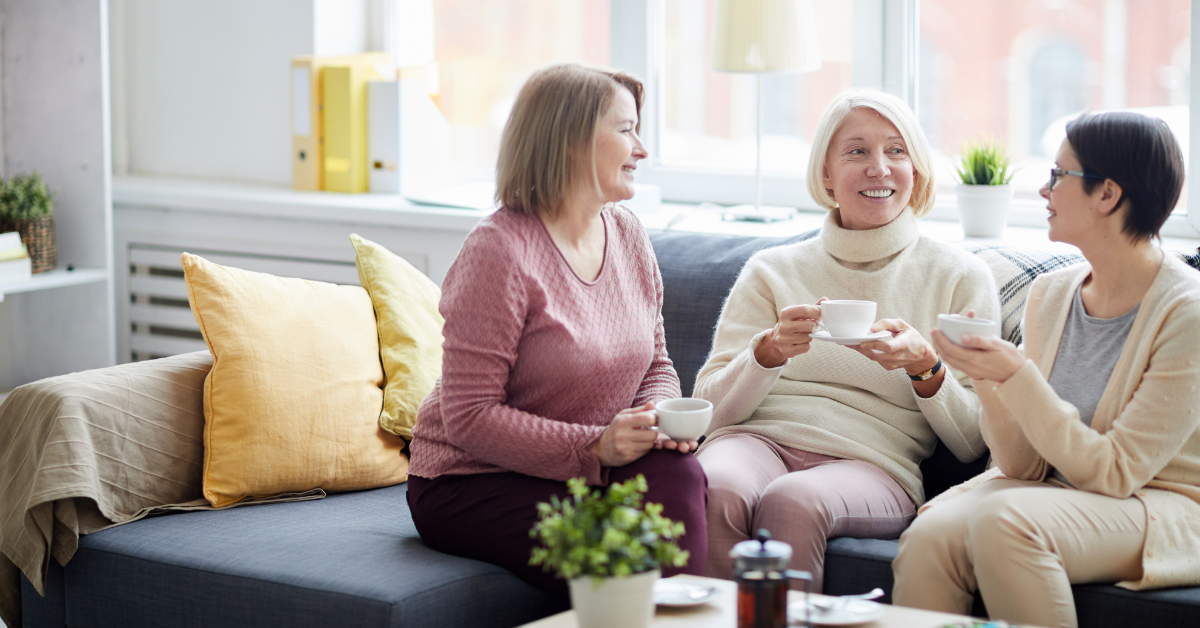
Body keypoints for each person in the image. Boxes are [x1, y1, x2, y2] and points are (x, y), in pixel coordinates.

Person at [405, 63, 707, 595]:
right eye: (626, 130)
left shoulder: (629, 233)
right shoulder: (499, 249)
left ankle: (687, 612)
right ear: (570, 140)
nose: (641, 149)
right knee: (623, 545)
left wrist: (654, 419)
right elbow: (469, 417)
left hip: (587, 463)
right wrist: (595, 448)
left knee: (680, 472)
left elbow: (657, 362)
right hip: (472, 480)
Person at [892, 112, 1200, 628]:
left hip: (1162, 502)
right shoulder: (1051, 294)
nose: (1043, 189)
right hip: (1053, 490)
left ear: (1108, 194)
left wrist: (1018, 377)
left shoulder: (1186, 313)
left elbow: (1116, 473)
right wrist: (988, 377)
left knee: (1004, 522)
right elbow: (1021, 466)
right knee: (930, 536)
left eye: (1059, 176)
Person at [693, 88, 998, 588]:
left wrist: (925, 365)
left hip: (873, 462)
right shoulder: (772, 270)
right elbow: (711, 412)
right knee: (715, 485)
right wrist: (765, 355)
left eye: (896, 151)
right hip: (756, 441)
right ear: (827, 174)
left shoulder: (959, 277)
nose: (879, 168)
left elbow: (969, 444)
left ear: (916, 169)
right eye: (857, 151)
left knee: (791, 501)